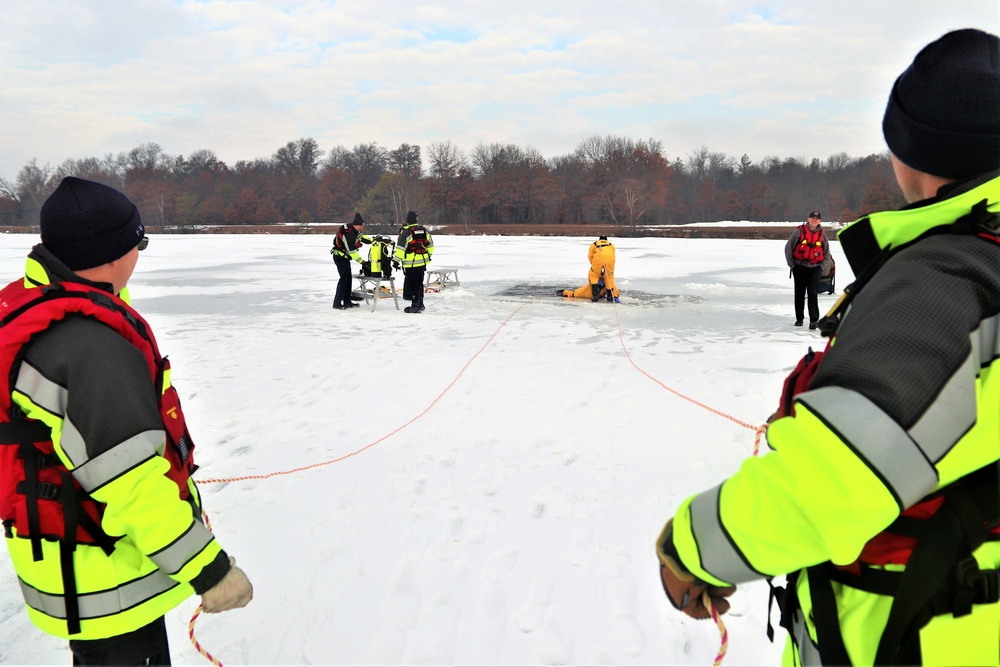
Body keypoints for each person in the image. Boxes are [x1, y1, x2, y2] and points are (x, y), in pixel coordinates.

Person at [656, 28, 1000, 667]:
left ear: (913, 157)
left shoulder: (940, 281)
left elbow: (831, 484)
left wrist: (691, 547)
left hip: (924, 637)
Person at [0, 177, 253, 665]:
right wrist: (210, 571)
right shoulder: (92, 349)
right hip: (107, 576)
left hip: (76, 561)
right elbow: (131, 483)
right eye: (137, 243)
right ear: (113, 254)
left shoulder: (40, 305)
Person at [784, 210, 830, 329]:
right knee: (799, 294)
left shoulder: (822, 235)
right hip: (799, 267)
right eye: (812, 218)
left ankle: (814, 320)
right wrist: (792, 266)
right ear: (808, 219)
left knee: (812, 294)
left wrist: (821, 267)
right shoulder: (799, 232)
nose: (814, 220)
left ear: (820, 221)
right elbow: (788, 248)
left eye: (817, 219)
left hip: (815, 268)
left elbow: (827, 254)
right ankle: (799, 319)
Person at [395, 211, 434, 313]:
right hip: (422, 263)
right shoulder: (425, 231)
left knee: (413, 284)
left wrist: (395, 261)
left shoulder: (406, 233)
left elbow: (400, 250)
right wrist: (426, 256)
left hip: (410, 264)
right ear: (416, 219)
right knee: (419, 283)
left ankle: (415, 306)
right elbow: (431, 247)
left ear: (407, 220)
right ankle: (420, 304)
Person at [330, 212, 370, 310]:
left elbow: (362, 237)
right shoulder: (349, 234)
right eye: (361, 226)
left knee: (348, 279)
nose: (362, 228)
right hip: (340, 257)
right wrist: (363, 262)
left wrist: (373, 240)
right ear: (357, 225)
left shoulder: (353, 230)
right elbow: (352, 251)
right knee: (344, 279)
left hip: (344, 257)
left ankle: (347, 302)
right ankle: (337, 303)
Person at [588, 235, 618, 302]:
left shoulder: (594, 244)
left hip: (598, 260)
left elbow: (590, 256)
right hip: (610, 260)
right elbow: (613, 255)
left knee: (594, 275)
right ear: (606, 240)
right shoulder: (611, 245)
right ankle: (610, 296)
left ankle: (595, 296)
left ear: (599, 239)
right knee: (609, 276)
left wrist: (594, 267)